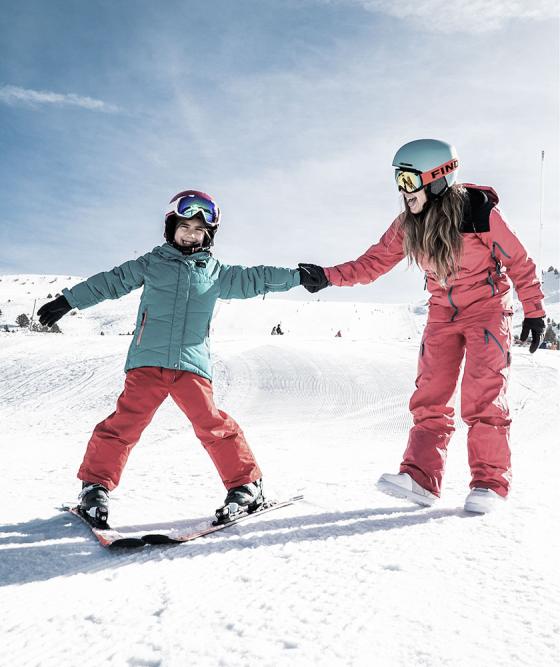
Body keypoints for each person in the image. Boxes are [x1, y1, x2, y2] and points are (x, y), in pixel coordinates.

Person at [299, 139, 546, 514]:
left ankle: (489, 484)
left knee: (483, 396)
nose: (403, 191)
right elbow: (373, 263)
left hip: (487, 310)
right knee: (429, 396)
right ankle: (421, 478)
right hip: (441, 313)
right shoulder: (407, 225)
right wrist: (329, 277)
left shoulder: (479, 213)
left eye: (409, 181)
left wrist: (534, 311)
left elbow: (520, 262)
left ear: (436, 179)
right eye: (399, 182)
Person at [38, 190, 301, 526]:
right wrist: (68, 300)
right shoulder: (151, 263)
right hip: (147, 362)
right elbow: (111, 282)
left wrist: (298, 277)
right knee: (123, 425)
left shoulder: (217, 273)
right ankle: (95, 487)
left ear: (209, 235)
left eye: (198, 230)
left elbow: (257, 278)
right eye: (185, 226)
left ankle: (245, 486)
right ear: (170, 228)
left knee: (212, 425)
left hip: (191, 366)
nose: (191, 234)